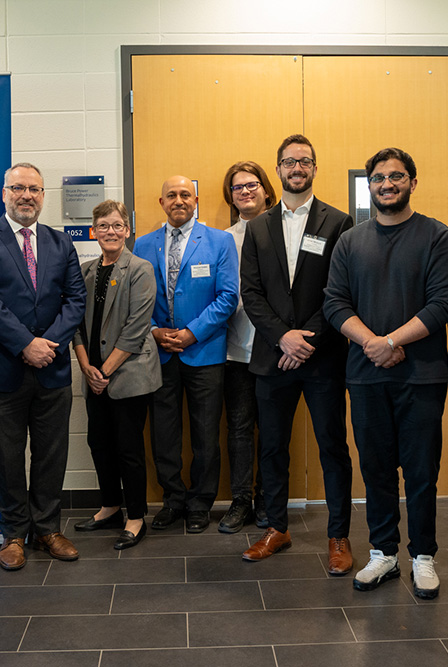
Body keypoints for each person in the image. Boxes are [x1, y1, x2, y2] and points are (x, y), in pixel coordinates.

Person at [324, 147, 448, 598]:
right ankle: (383, 552)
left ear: (413, 183)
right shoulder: (350, 241)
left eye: (397, 176)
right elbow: (334, 303)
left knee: (422, 470)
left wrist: (392, 341)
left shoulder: (438, 237)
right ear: (370, 186)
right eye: (379, 177)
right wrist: (372, 343)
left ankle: (423, 556)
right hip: (365, 376)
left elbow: (443, 303)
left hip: (421, 377)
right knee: (377, 468)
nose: (388, 184)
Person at [239, 136, 356, 575]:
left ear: (314, 167)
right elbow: (251, 293)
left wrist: (303, 340)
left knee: (332, 447)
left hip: (322, 357)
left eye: (304, 161)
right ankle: (276, 528)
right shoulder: (257, 227)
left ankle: (338, 535)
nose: (297, 167)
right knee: (271, 448)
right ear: (279, 168)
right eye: (289, 161)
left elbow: (340, 292)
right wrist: (281, 338)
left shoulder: (339, 223)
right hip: (273, 359)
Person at [0, 163, 87, 569]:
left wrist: (46, 345)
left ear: (43, 195)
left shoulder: (61, 242)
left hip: (52, 368)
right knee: (9, 456)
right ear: (4, 193)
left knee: (52, 455)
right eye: (18, 188)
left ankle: (48, 529)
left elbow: (75, 301)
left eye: (34, 189)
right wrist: (25, 344)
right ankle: (14, 534)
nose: (26, 195)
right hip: (2, 370)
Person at [133, 175, 239, 533]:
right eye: (171, 195)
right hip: (158, 354)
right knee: (164, 434)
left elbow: (227, 297)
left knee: (206, 434)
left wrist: (192, 333)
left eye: (185, 195)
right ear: (160, 202)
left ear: (196, 200)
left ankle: (200, 503)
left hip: (205, 351)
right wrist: (154, 330)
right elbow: (136, 301)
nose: (179, 200)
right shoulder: (142, 245)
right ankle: (172, 500)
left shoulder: (220, 241)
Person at [72, 200, 160, 550]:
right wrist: (85, 367)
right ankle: (110, 505)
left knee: (128, 448)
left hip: (127, 375)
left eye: (117, 225)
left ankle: (136, 516)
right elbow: (74, 325)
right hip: (92, 374)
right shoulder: (86, 271)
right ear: (94, 232)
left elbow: (137, 329)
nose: (110, 231)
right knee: (99, 443)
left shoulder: (140, 269)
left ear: (127, 229)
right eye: (103, 226)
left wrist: (103, 372)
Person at [218, 161, 276, 532]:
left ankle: (268, 499)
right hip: (236, 350)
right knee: (239, 428)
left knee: (272, 429)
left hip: (276, 350)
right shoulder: (223, 239)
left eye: (252, 185)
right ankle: (241, 501)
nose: (245, 192)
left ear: (267, 190)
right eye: (238, 187)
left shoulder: (283, 232)